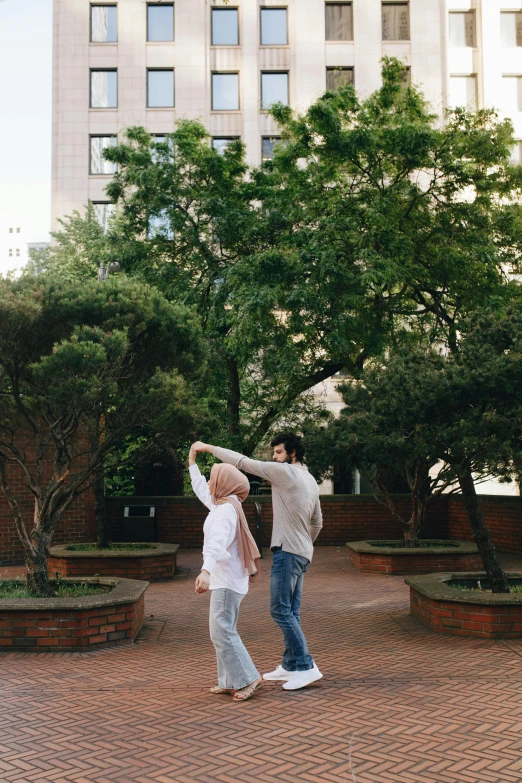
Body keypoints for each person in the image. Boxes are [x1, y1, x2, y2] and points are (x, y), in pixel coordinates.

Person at [192, 432, 323, 691]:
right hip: (302, 552)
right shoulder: (310, 480)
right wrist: (305, 544)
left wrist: (208, 446)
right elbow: (317, 522)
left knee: (280, 610)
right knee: (291, 611)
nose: (273, 457)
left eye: (278, 452)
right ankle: (291, 664)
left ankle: (306, 666)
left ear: (292, 453)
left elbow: (242, 462)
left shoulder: (285, 473)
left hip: (287, 551)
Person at [189, 443, 263, 702]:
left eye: (213, 479)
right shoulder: (226, 504)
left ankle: (247, 677)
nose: (210, 483)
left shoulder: (224, 512)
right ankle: (230, 680)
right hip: (229, 579)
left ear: (223, 484)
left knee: (221, 631)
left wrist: (206, 571)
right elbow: (202, 492)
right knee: (223, 629)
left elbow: (216, 545)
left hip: (225, 580)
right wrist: (192, 464)